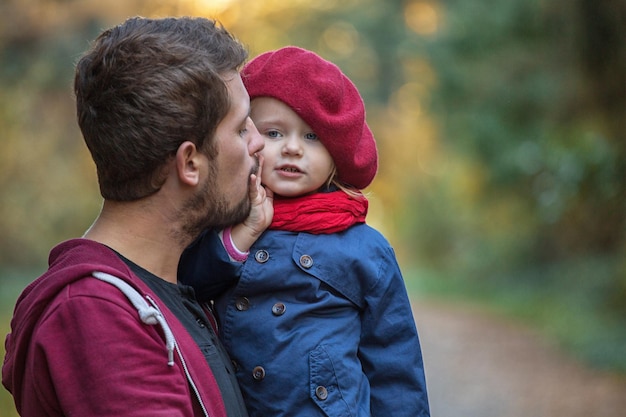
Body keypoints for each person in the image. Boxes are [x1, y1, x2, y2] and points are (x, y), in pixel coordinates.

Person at [1, 16, 271, 417]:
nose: (259, 142)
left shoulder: (166, 289)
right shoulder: (97, 315)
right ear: (190, 162)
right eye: (240, 128)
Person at [179, 46, 430, 417]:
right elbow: (187, 285)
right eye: (275, 132)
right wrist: (243, 236)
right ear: (249, 140)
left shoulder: (363, 247)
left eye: (312, 137)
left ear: (335, 154)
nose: (293, 148)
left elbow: (394, 364)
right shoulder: (221, 223)